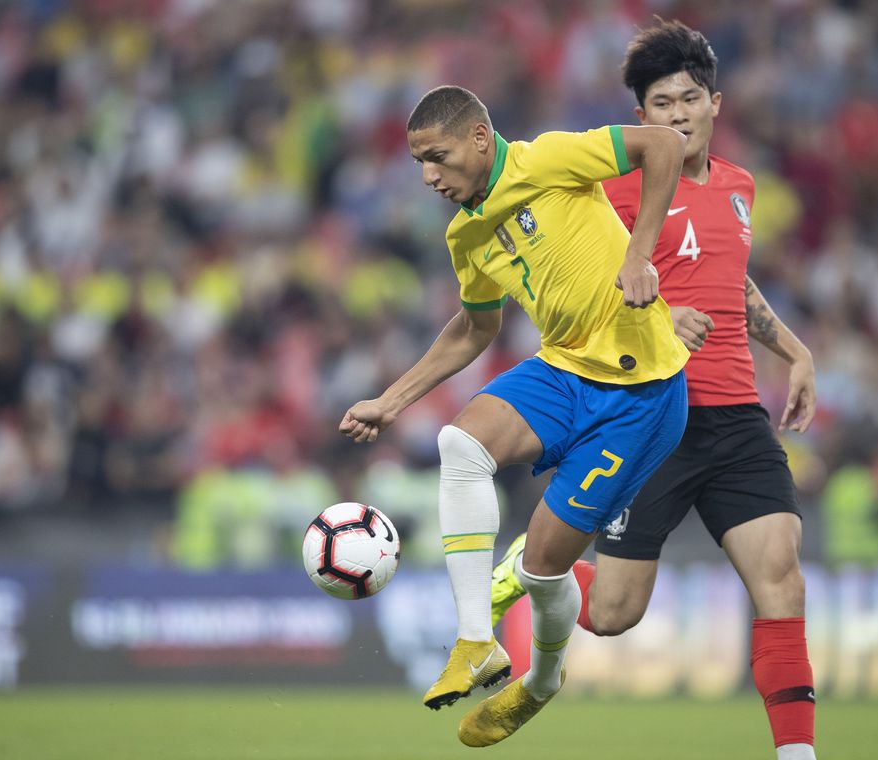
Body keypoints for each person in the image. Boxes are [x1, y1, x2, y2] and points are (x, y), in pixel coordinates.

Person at [489, 20, 819, 760]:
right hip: (649, 414)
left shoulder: (739, 187)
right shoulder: (611, 189)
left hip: (736, 417)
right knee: (610, 615)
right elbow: (579, 283)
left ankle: (797, 755)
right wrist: (664, 315)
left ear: (715, 103)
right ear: (642, 118)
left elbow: (732, 281)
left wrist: (794, 350)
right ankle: (539, 558)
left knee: (783, 581)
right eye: (662, 104)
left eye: (689, 99)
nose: (678, 114)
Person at [339, 85, 689, 746]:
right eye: (418, 163)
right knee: (460, 444)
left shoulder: (549, 160)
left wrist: (639, 253)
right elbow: (475, 330)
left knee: (540, 569)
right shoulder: (466, 232)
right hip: (562, 369)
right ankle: (476, 640)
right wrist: (391, 401)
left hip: (640, 393)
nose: (427, 176)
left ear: (478, 137)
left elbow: (664, 145)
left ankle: (543, 680)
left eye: (436, 157)